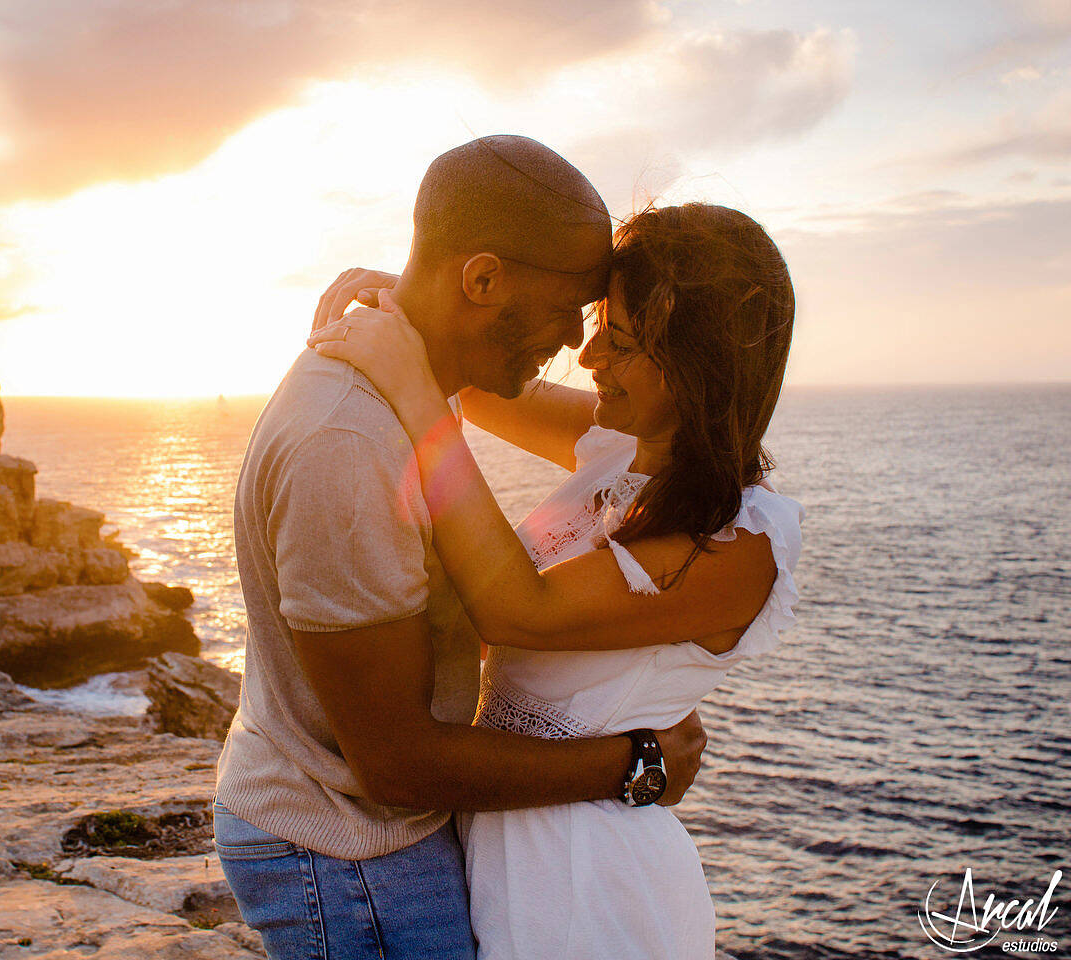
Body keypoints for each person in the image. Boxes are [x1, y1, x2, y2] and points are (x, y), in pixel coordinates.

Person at [212, 136, 709, 960]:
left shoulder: (409, 379)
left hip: (367, 835)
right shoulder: (347, 444)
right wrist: (633, 765)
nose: (577, 346)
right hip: (346, 850)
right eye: (569, 309)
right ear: (482, 280)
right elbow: (396, 763)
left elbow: (655, 440)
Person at [306, 200, 804, 959]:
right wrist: (418, 304)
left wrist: (413, 389)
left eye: (624, 339)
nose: (593, 352)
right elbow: (488, 381)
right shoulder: (618, 448)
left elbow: (516, 610)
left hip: (589, 881)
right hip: (503, 840)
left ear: (702, 369)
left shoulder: (740, 540)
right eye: (601, 320)